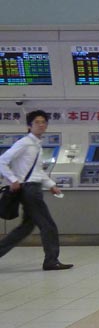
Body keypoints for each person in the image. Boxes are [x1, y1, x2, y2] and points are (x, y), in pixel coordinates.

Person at [0, 110, 72, 271]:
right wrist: (13, 180)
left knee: (25, 228)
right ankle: (51, 261)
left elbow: (37, 171)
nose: (41, 125)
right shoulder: (25, 143)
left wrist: (51, 185)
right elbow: (2, 161)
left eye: (43, 122)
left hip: (33, 188)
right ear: (29, 126)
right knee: (48, 225)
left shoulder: (36, 145)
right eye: (37, 122)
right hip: (30, 190)